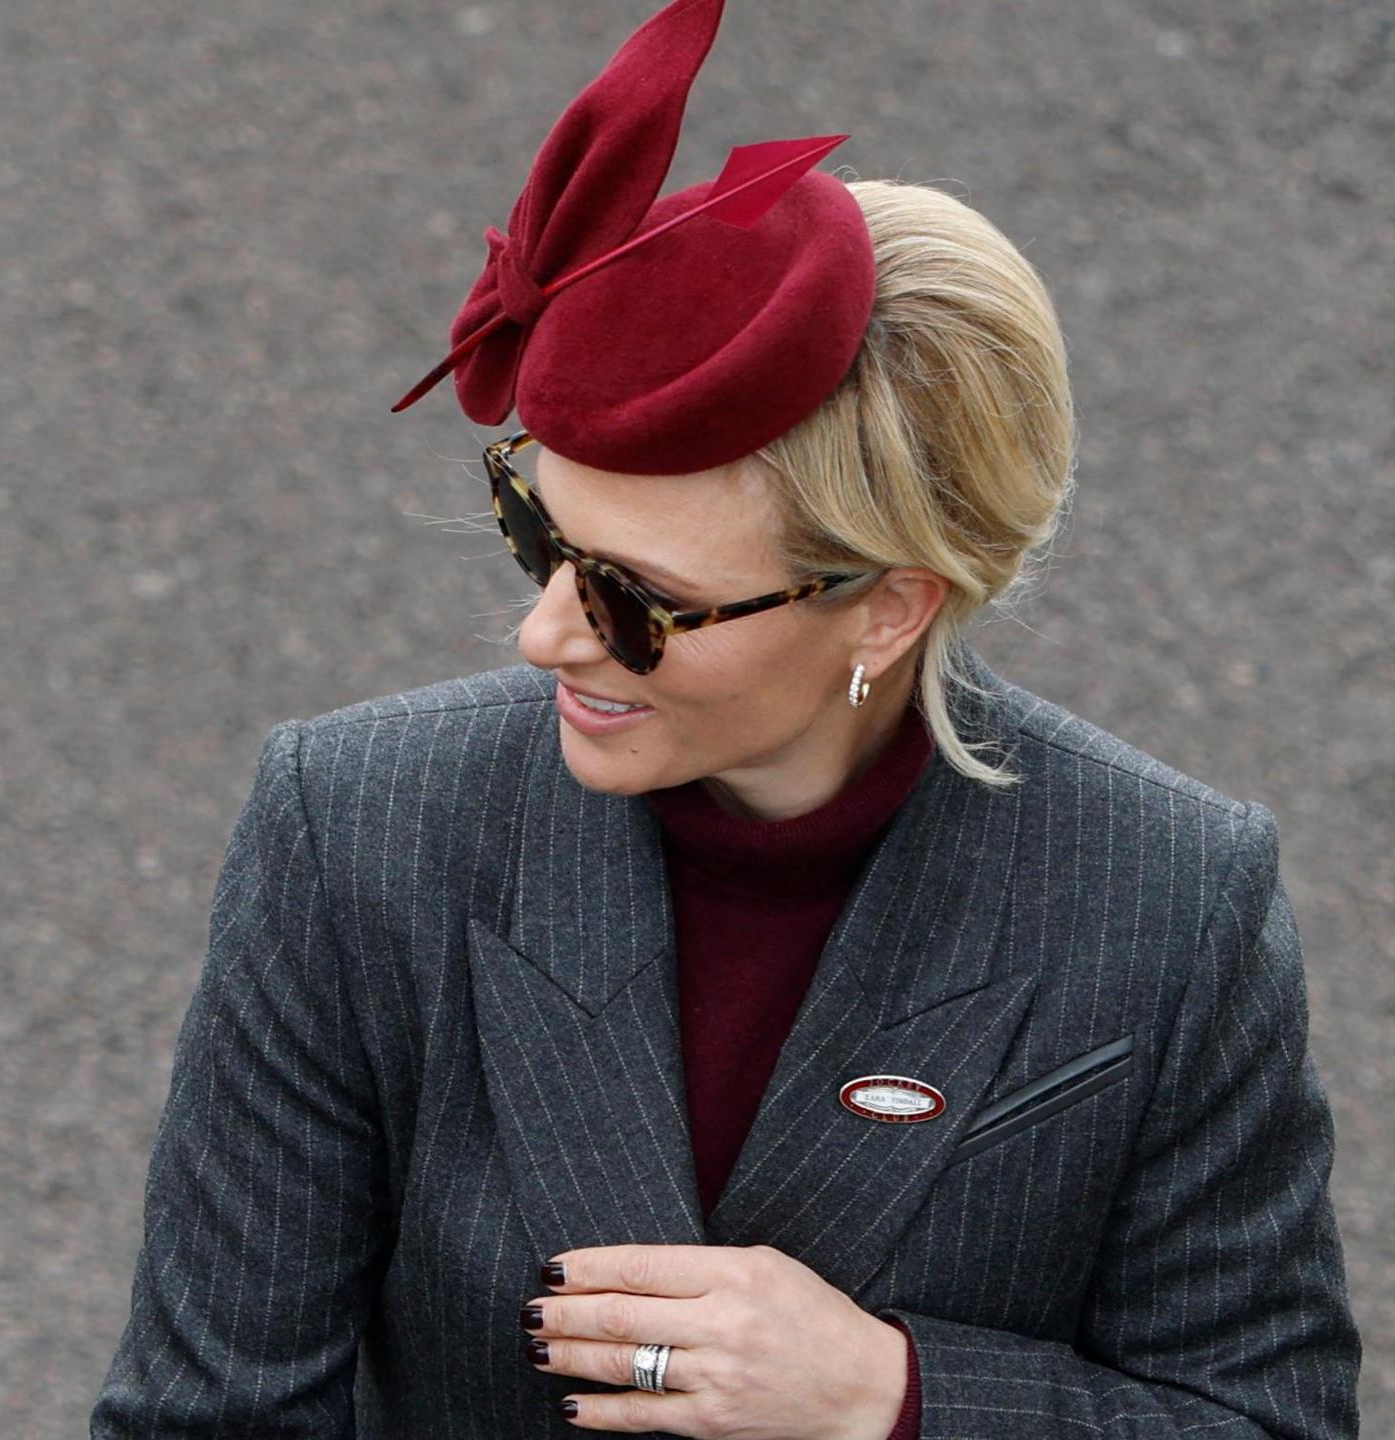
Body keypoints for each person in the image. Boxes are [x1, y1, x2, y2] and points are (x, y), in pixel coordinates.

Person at [93, 2, 1359, 1435]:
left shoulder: (1166, 898)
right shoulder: (359, 830)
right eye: (534, 533)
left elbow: (1263, 1412)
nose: (546, 633)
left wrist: (895, 1396)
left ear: (889, 605)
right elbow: (210, 1417)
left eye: (641, 603)